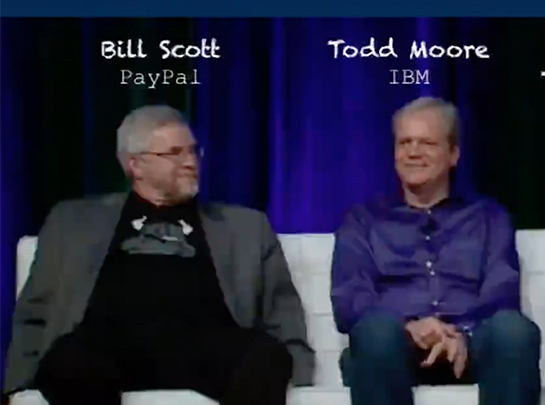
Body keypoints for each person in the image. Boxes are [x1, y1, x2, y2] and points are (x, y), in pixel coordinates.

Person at [2, 105, 313, 405]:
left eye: (194, 151)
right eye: (174, 153)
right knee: (69, 361)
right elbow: (35, 310)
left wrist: (300, 372)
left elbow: (282, 310)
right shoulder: (72, 221)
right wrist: (17, 384)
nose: (190, 162)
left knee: (264, 357)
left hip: (210, 347)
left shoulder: (246, 226)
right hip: (105, 347)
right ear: (135, 165)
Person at [331, 96, 541, 405]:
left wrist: (461, 333)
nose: (413, 152)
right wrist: (409, 326)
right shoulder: (363, 221)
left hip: (472, 347)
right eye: (404, 143)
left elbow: (502, 291)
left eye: (427, 143)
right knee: (376, 333)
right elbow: (350, 298)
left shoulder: (488, 217)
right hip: (392, 349)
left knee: (514, 331)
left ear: (453, 154)